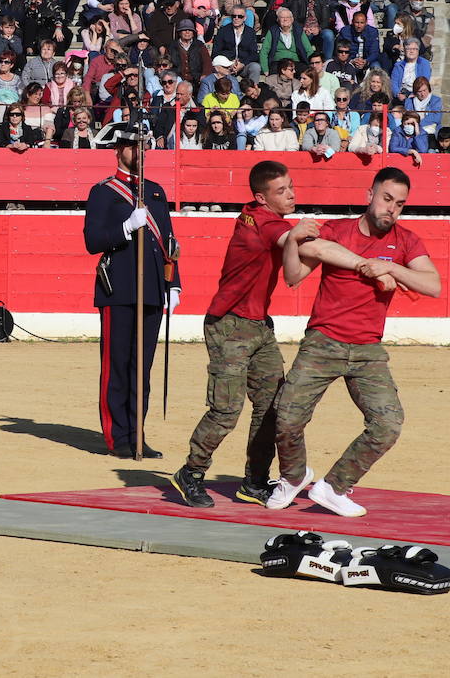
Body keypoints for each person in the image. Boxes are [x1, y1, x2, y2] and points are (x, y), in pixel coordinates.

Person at [270, 167, 441, 516]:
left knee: (388, 424)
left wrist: (390, 269)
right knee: (286, 417)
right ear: (370, 196)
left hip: (368, 349)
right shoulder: (337, 229)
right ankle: (293, 476)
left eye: (400, 204)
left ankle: (333, 487)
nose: (391, 209)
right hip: (324, 340)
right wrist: (294, 242)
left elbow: (433, 285)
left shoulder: (406, 240)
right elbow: (293, 276)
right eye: (386, 199)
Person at [169, 162, 320, 508]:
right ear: (261, 198)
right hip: (229, 325)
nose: (291, 194)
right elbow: (293, 244)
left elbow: (292, 251)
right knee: (226, 410)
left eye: (291, 186)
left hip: (258, 325)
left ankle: (254, 481)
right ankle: (190, 473)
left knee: (272, 408)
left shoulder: (264, 218)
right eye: (281, 191)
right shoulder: (265, 223)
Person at [83, 121, 180, 459]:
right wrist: (125, 227)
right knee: (118, 366)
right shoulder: (104, 192)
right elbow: (93, 241)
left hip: (152, 288)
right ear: (118, 149)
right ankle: (118, 438)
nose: (139, 152)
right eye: (132, 146)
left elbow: (169, 242)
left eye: (143, 146)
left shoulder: (154, 191)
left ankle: (137, 435)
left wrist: (174, 282)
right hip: (119, 289)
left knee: (143, 369)